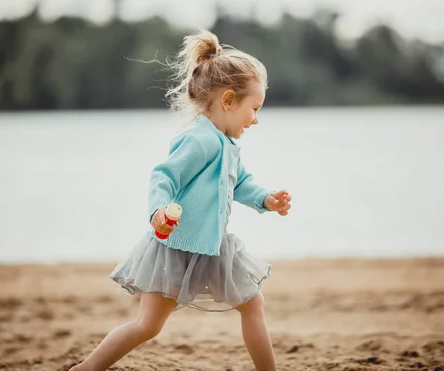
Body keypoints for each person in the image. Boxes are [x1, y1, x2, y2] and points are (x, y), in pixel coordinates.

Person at [70, 29, 292, 371]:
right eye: (254, 108)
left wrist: (267, 199)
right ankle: (85, 369)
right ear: (228, 100)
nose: (256, 119)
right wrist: (158, 212)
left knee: (253, 304)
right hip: (174, 248)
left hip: (213, 248)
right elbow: (164, 176)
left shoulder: (228, 144)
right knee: (147, 326)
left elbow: (240, 182)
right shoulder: (200, 140)